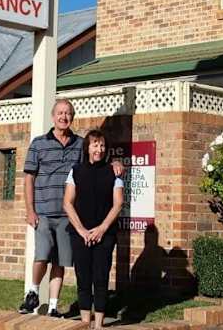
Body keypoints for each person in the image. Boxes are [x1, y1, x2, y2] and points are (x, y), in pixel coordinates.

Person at [19, 99, 122, 316]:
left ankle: (53, 306)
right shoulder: (38, 144)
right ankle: (33, 291)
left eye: (67, 113)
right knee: (42, 255)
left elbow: (96, 161)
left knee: (61, 260)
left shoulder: (80, 144)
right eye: (60, 113)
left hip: (69, 215)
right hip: (44, 211)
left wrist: (115, 164)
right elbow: (29, 178)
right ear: (53, 116)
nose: (63, 117)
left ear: (72, 117)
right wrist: (30, 210)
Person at [63, 129, 124, 329]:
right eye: (95, 145)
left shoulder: (114, 171)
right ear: (87, 148)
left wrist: (101, 229)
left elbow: (118, 204)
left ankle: (98, 324)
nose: (99, 149)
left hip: (105, 235)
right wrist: (81, 230)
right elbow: (67, 203)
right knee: (83, 278)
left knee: (100, 278)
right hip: (79, 234)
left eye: (102, 145)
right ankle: (84, 322)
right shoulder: (75, 171)